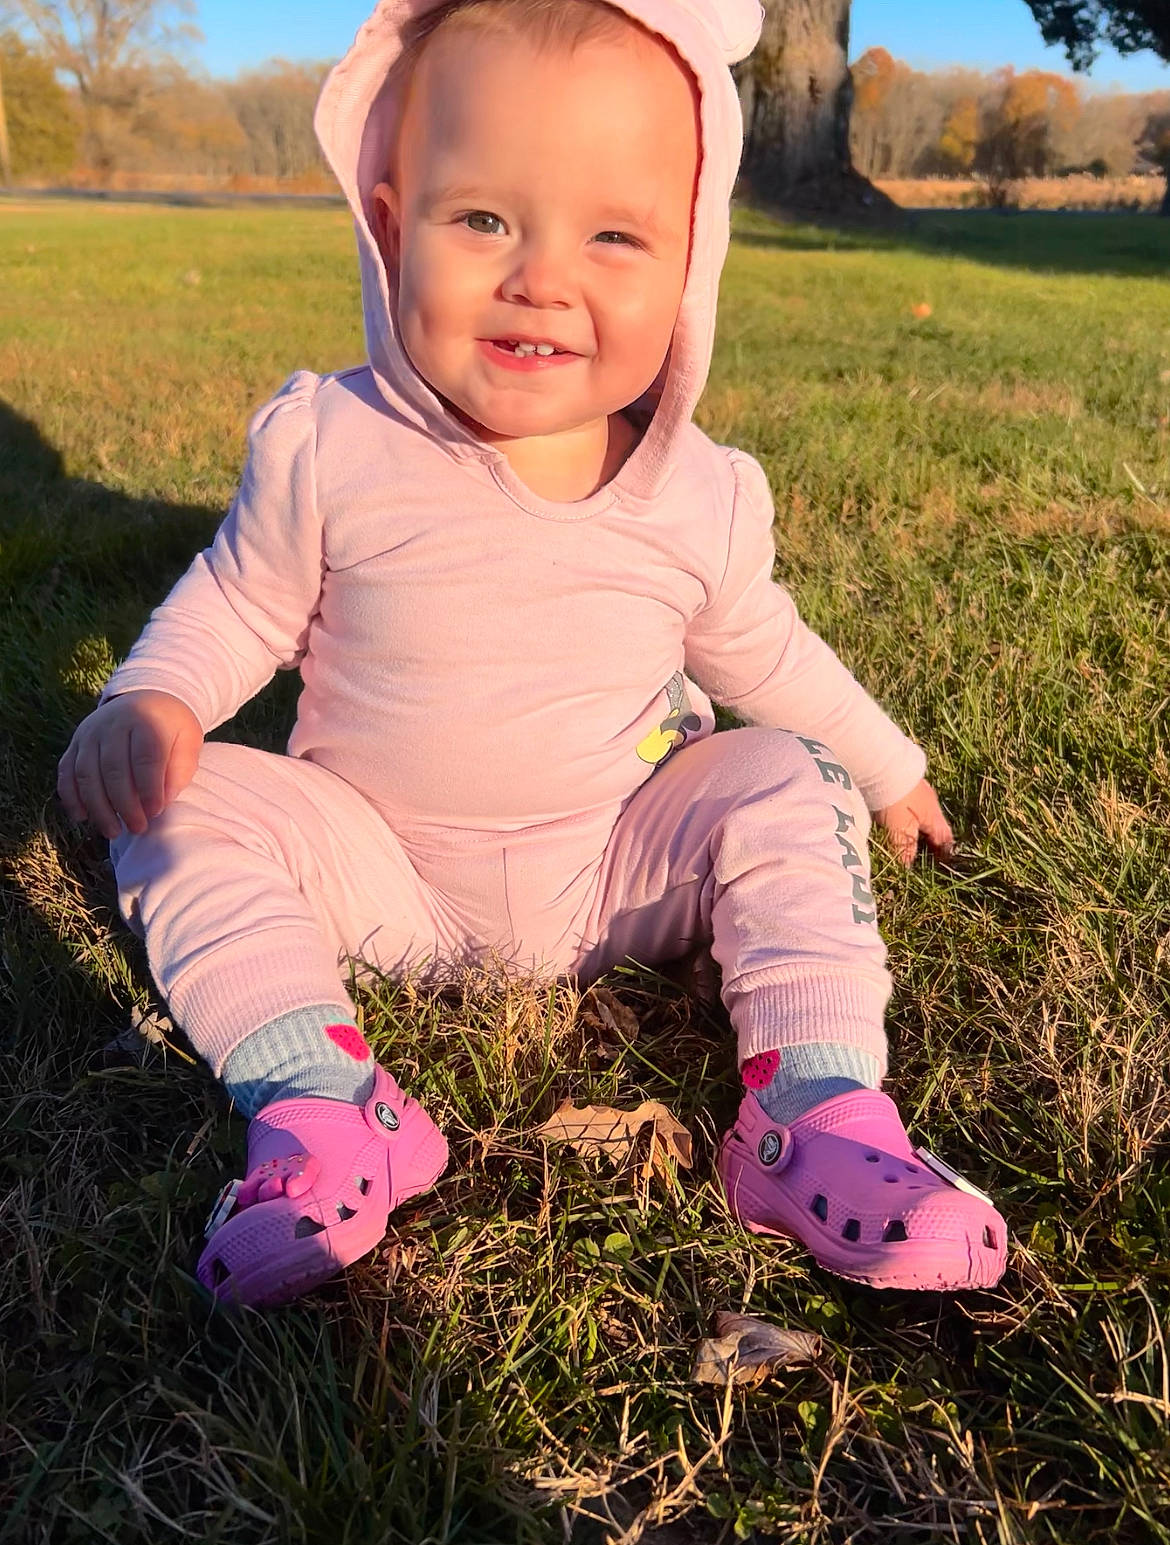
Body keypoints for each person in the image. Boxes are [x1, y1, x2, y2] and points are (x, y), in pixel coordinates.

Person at [57, 0, 1008, 1309]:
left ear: (688, 264)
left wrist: (886, 767)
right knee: (188, 795)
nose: (539, 278)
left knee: (783, 770)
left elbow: (765, 651)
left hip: (616, 865)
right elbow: (239, 599)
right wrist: (153, 695)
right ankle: (322, 1100)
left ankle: (815, 1108)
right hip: (380, 869)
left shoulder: (695, 494)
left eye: (613, 235)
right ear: (389, 226)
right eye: (483, 221)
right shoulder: (330, 444)